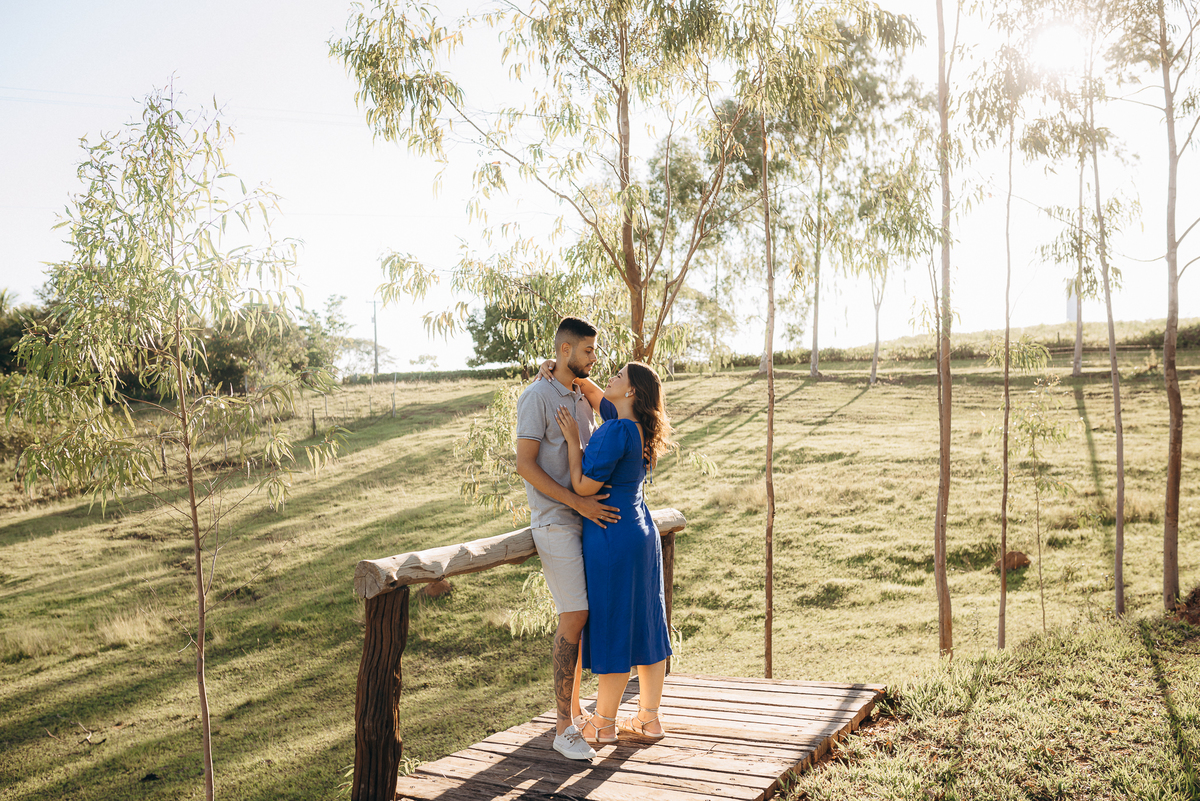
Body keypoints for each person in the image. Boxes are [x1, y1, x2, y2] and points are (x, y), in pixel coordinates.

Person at [514, 316, 620, 761]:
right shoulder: (537, 395)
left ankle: (573, 714)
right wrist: (576, 505)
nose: (594, 359)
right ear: (564, 351)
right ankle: (562, 728)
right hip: (556, 521)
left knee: (585, 617)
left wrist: (569, 374)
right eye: (588, 351)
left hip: (587, 522)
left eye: (595, 352)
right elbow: (525, 465)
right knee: (573, 615)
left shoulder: (578, 395)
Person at [554, 361, 675, 746]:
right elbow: (595, 394)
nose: (611, 378)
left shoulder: (614, 430)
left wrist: (574, 440)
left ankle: (603, 723)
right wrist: (568, 372)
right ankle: (649, 719)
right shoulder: (638, 427)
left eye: (619, 376)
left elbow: (582, 487)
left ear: (632, 392)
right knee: (647, 623)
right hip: (642, 533)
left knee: (613, 627)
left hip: (611, 538)